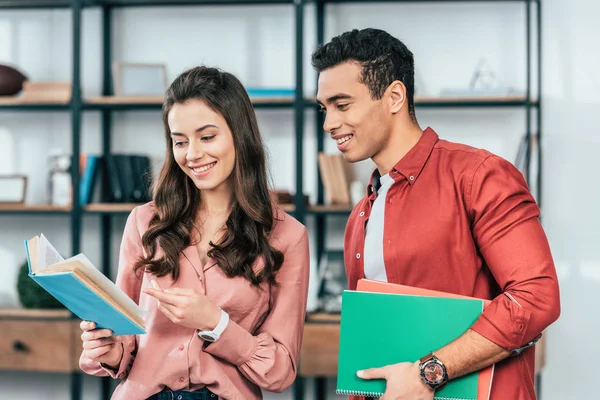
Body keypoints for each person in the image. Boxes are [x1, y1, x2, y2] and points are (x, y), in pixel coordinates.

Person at [312, 28, 560, 400]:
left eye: (342, 104)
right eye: (324, 108)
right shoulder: (361, 213)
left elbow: (535, 296)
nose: (328, 123)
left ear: (394, 96)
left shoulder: (479, 176)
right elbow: (370, 341)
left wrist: (429, 373)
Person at [78, 66, 310, 400]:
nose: (193, 154)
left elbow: (279, 371)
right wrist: (108, 348)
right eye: (180, 141)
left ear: (239, 134)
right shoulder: (145, 222)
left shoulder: (287, 236)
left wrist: (217, 323)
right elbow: (126, 345)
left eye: (207, 136)